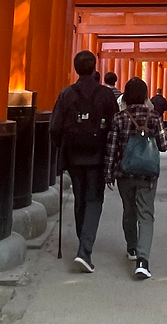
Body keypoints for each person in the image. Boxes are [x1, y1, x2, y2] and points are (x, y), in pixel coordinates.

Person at [49, 50, 117, 273]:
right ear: (94, 67)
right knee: (94, 200)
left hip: (75, 156)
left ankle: (83, 244)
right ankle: (84, 251)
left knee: (80, 199)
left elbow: (55, 127)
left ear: (76, 68)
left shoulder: (67, 94)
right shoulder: (106, 95)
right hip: (98, 156)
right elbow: (115, 126)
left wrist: (63, 146)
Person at [105, 77, 167, 280]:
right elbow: (162, 145)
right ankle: (143, 261)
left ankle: (132, 248)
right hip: (147, 173)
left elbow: (112, 147)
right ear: (145, 96)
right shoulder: (154, 117)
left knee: (129, 210)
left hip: (124, 173)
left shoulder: (118, 118)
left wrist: (108, 173)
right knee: (146, 214)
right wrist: (166, 135)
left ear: (125, 95)